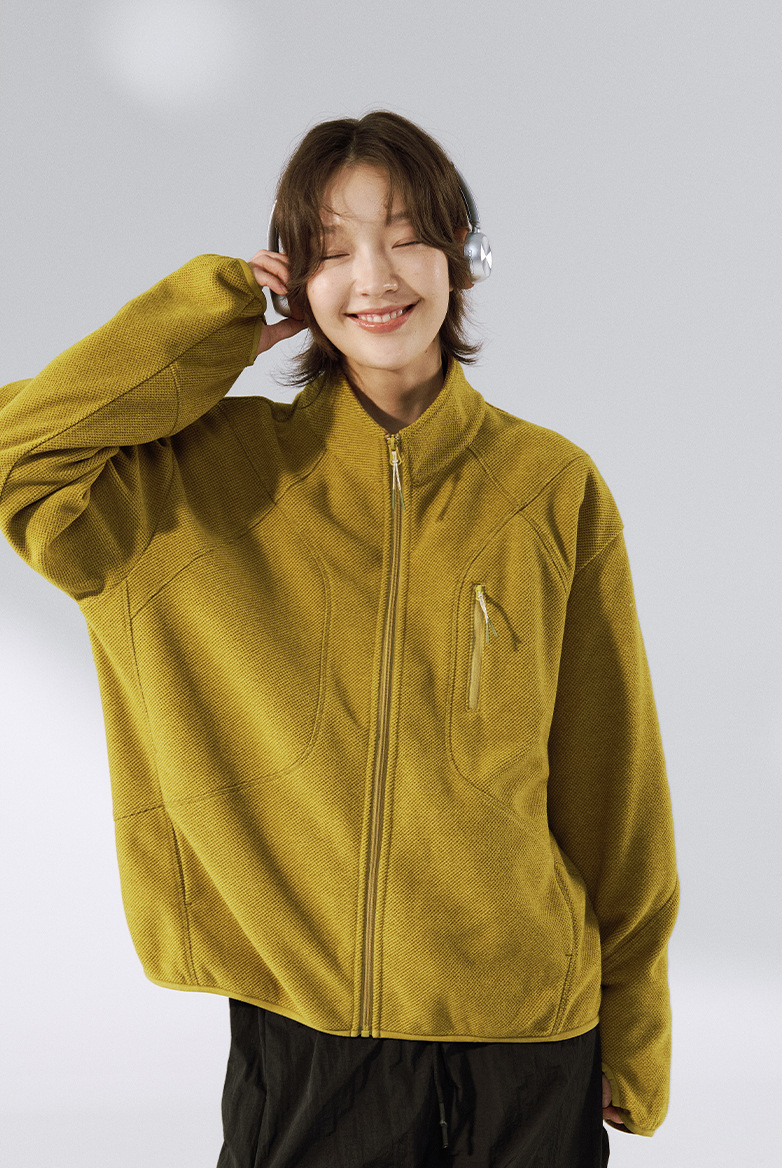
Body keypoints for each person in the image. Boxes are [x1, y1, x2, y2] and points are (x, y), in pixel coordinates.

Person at [0, 110, 679, 1167]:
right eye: (331, 249)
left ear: (461, 256)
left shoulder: (549, 486)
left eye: (407, 236)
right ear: (294, 281)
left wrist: (633, 1039)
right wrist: (209, 320)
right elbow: (18, 458)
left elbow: (613, 785)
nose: (375, 275)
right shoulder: (185, 485)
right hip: (308, 1046)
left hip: (529, 1042)